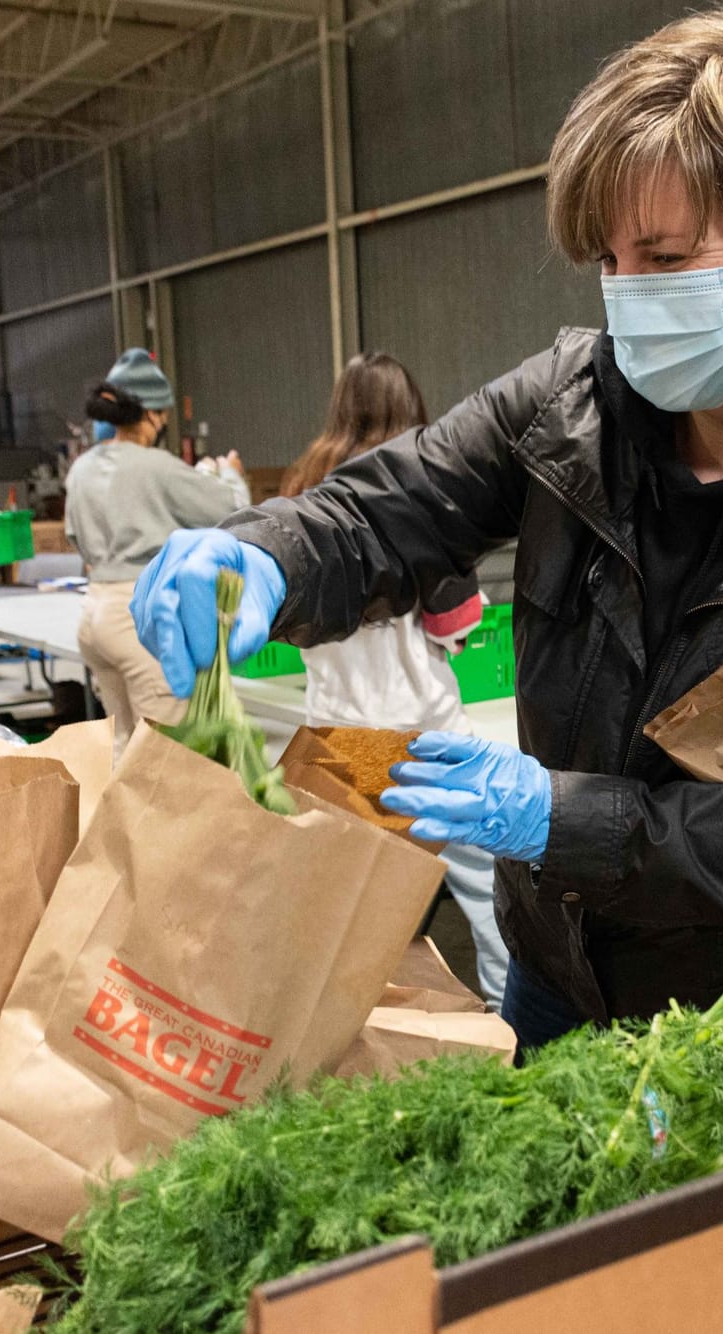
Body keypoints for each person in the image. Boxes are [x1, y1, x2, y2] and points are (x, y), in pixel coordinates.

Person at [131, 12, 723, 1140]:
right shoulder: (567, 407)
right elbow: (386, 512)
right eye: (609, 258)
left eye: (668, 257)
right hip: (559, 986)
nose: (626, 293)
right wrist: (261, 553)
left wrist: (563, 818)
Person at [282, 353, 511, 1007]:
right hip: (424, 730)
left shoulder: (305, 485)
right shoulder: (425, 485)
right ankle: (508, 1022)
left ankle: (342, 1031)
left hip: (338, 732)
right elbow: (453, 624)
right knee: (487, 887)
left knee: (340, 910)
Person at [66, 348, 253, 756]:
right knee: (167, 753)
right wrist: (230, 475)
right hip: (141, 616)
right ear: (149, 414)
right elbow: (232, 512)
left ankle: (118, 822)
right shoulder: (156, 466)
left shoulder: (81, 467)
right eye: (163, 413)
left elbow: (74, 538)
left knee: (123, 745)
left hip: (94, 615)